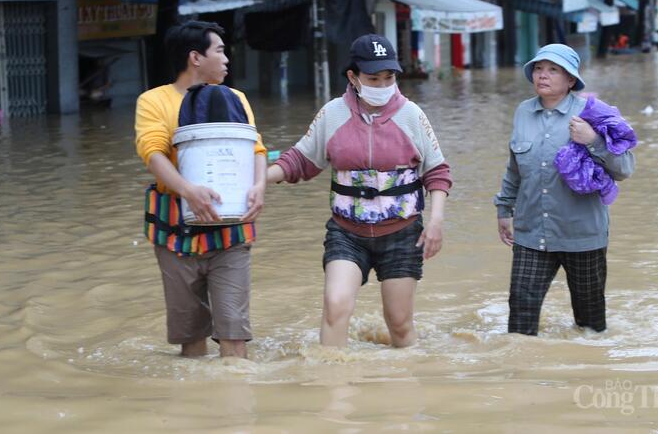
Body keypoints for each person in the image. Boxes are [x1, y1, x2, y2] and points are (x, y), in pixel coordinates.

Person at [266, 34, 452, 348]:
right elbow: (299, 160)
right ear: (353, 77)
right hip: (347, 233)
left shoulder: (412, 115)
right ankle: (332, 385)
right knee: (335, 305)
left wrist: (435, 222)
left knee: (400, 324)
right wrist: (259, 179)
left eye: (388, 77)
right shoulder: (333, 114)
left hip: (403, 234)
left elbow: (437, 172)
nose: (382, 86)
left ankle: (408, 388)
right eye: (373, 79)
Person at [135, 20, 267, 358]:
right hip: (175, 231)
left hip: (232, 229)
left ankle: (235, 399)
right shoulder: (153, 101)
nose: (226, 60)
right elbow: (152, 153)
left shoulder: (236, 98)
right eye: (220, 51)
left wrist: (260, 186)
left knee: (234, 336)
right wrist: (188, 189)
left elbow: (256, 149)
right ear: (196, 57)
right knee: (190, 339)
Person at [494, 44, 635, 336]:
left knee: (590, 325)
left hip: (582, 235)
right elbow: (515, 168)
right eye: (538, 68)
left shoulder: (593, 113)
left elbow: (624, 169)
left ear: (570, 79)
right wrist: (504, 209)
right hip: (532, 232)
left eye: (553, 70)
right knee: (519, 322)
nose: (542, 75)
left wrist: (593, 139)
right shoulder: (523, 112)